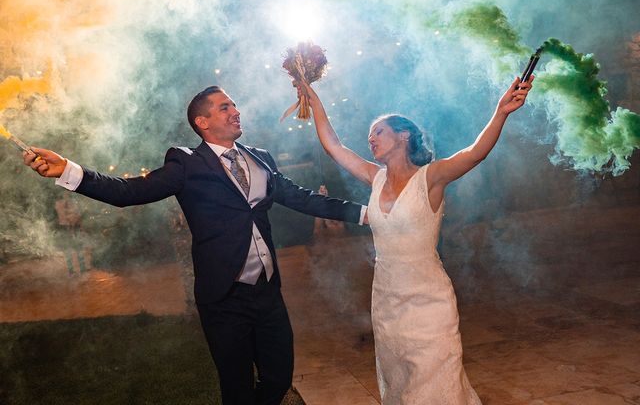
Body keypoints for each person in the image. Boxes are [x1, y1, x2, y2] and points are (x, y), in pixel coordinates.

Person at [23, 85, 366, 405]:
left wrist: (366, 213)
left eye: (233, 105)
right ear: (202, 122)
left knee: (277, 379)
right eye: (224, 107)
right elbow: (128, 192)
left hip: (267, 293)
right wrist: (69, 170)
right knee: (237, 387)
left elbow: (303, 199)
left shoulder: (261, 158)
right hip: (224, 297)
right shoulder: (186, 162)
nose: (236, 111)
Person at [298, 75, 533, 404]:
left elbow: (475, 153)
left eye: (379, 131)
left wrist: (501, 112)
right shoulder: (374, 177)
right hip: (387, 301)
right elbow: (333, 145)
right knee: (400, 387)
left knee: (435, 383)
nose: (371, 139)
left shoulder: (431, 177)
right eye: (369, 135)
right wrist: (313, 98)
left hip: (428, 301)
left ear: (404, 135)